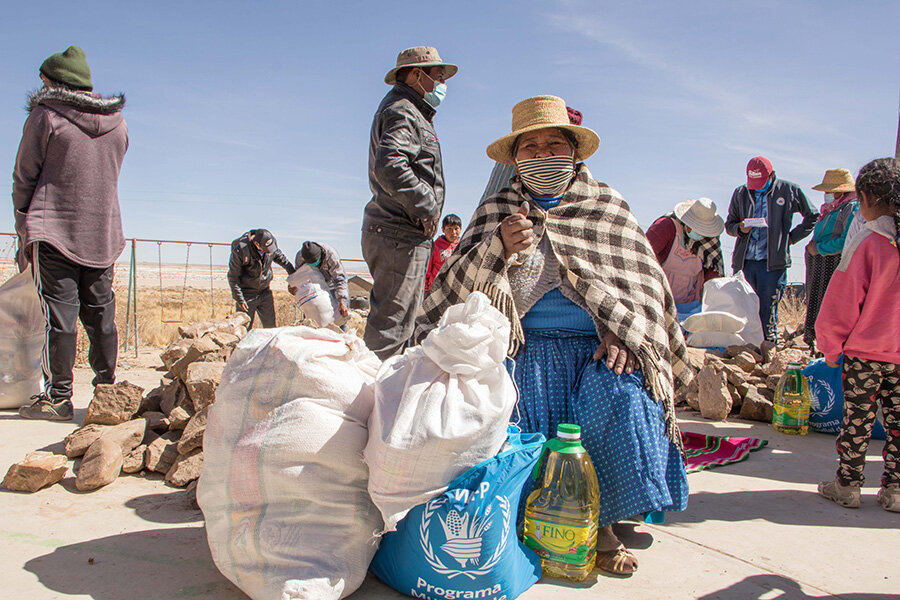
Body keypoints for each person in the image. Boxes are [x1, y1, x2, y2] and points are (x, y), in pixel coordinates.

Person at [418, 95, 691, 575]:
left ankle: (602, 526)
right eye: (531, 148)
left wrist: (620, 331)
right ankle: (527, 518)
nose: (542, 157)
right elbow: (449, 292)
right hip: (518, 347)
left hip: (596, 349)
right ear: (516, 159)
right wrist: (497, 247)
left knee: (622, 393)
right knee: (489, 403)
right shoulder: (497, 211)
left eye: (553, 145)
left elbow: (644, 291)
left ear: (575, 153)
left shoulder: (606, 207)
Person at [13, 46, 127, 421]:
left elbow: (25, 176)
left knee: (59, 318)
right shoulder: (118, 124)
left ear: (52, 80)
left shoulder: (46, 116)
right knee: (101, 315)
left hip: (55, 230)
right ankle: (107, 391)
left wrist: (23, 228)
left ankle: (58, 398)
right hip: (102, 233)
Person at [815, 157, 900, 513]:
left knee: (858, 422)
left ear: (864, 197)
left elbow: (842, 302)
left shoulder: (869, 242)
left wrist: (831, 348)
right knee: (898, 426)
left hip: (866, 354)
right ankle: (895, 491)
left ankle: (847, 486)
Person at [362, 46, 457, 360]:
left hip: (399, 234)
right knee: (389, 335)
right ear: (418, 75)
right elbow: (390, 164)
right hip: (397, 235)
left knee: (401, 328)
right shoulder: (404, 110)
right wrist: (428, 207)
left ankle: (385, 401)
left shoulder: (409, 110)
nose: (442, 84)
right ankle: (370, 404)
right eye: (438, 76)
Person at [725, 156, 816, 341]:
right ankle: (745, 350)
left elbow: (812, 216)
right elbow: (729, 225)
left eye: (761, 182)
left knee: (768, 309)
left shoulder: (789, 190)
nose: (757, 187)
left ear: (772, 175)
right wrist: (740, 229)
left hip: (772, 264)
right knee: (744, 307)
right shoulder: (740, 193)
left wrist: (790, 238)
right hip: (746, 262)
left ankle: (768, 349)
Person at [477, 106, 583, 206]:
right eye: (530, 145)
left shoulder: (596, 203)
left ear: (574, 155)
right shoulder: (494, 207)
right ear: (515, 163)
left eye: (555, 142)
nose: (543, 154)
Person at [803, 169, 858, 351]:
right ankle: (817, 347)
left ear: (840, 191)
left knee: (828, 306)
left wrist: (819, 248)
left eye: (829, 191)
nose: (826, 195)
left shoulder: (850, 208)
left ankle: (829, 351)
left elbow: (846, 240)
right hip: (819, 263)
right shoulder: (833, 209)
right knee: (817, 304)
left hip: (831, 264)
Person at [646, 197, 725, 307]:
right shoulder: (665, 227)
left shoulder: (709, 239)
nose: (699, 235)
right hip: (659, 298)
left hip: (690, 302)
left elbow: (713, 272)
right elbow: (643, 257)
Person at [227, 229, 294, 328]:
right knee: (244, 329)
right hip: (246, 295)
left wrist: (294, 280)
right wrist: (240, 299)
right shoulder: (241, 250)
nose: (268, 252)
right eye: (264, 249)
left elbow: (285, 262)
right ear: (256, 244)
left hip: (264, 292)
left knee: (271, 328)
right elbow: (233, 276)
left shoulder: (271, 247)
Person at [294, 241, 350, 318]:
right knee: (313, 316)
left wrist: (342, 301)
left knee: (340, 314)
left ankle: (341, 328)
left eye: (315, 262)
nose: (314, 265)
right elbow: (298, 275)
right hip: (314, 287)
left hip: (333, 285)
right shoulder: (300, 257)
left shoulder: (331, 255)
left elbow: (339, 279)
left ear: (320, 256)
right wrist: (294, 285)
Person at [424, 214, 461, 291]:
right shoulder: (435, 246)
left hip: (455, 288)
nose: (453, 232)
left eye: (456, 229)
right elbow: (427, 269)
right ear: (443, 230)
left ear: (460, 229)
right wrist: (426, 288)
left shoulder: (462, 245)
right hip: (437, 289)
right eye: (449, 229)